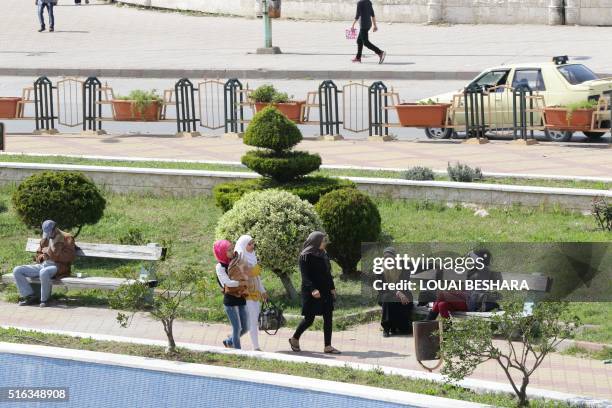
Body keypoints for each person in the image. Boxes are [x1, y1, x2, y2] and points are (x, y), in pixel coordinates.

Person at [289, 231, 341, 354]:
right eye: (323, 241)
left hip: (325, 290)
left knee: (328, 317)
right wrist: (313, 289)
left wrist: (332, 288)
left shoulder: (323, 254)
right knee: (309, 319)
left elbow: (328, 273)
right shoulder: (305, 256)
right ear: (316, 241)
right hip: (311, 291)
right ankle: (294, 338)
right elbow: (305, 276)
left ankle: (328, 346)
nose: (325, 243)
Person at [13, 220, 76, 307]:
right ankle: (30, 296)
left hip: (58, 267)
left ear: (55, 228)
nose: (48, 234)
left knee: (43, 272)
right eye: (46, 232)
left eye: (50, 232)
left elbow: (69, 257)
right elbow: (38, 254)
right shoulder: (46, 237)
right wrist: (42, 257)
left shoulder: (67, 237)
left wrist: (50, 253)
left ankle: (45, 300)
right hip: (44, 265)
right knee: (17, 270)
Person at [235, 234, 268, 351]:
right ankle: (256, 347)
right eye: (249, 244)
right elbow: (242, 275)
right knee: (252, 320)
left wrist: (263, 291)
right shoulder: (240, 257)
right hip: (245, 293)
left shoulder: (253, 257)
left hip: (255, 293)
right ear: (244, 245)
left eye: (253, 243)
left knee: (252, 320)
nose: (252, 246)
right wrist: (250, 272)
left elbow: (257, 277)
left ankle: (231, 340)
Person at [214, 239, 249, 349]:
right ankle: (237, 351)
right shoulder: (220, 267)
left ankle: (229, 341)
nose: (231, 251)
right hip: (230, 300)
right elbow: (226, 283)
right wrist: (242, 282)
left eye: (232, 249)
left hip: (241, 295)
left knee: (246, 327)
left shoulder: (235, 261)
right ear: (221, 252)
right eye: (228, 250)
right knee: (237, 328)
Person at [379, 247, 413, 337]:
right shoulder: (380, 269)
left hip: (404, 293)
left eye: (390, 257)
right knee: (387, 299)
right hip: (387, 294)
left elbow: (404, 283)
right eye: (386, 258)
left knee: (406, 331)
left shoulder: (403, 266)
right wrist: (397, 292)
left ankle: (396, 326)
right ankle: (386, 328)